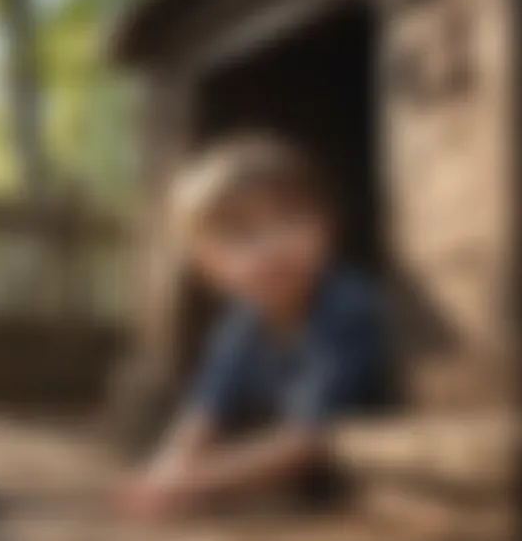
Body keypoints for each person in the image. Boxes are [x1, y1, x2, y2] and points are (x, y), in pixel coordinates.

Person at [113, 133, 385, 520]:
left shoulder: (347, 306)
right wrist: (165, 471)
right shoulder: (242, 324)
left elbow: (312, 436)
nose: (275, 244)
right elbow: (205, 411)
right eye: (241, 232)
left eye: (292, 217)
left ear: (328, 225)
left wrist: (195, 481)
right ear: (208, 266)